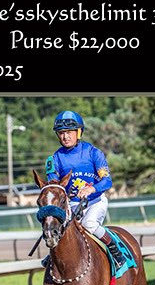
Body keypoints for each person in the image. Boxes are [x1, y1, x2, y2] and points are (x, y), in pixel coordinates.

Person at [45, 110, 126, 270]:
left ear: (78, 132)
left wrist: (91, 190)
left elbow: (107, 181)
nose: (65, 137)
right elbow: (53, 186)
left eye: (69, 132)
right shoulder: (54, 159)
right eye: (61, 133)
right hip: (71, 205)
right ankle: (52, 257)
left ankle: (116, 252)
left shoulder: (94, 153)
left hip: (95, 202)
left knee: (89, 224)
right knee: (58, 229)